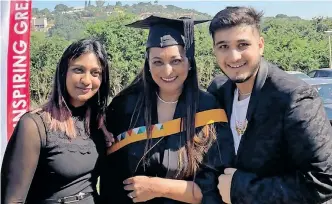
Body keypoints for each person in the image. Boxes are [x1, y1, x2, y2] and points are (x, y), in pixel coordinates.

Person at [101, 15, 234, 204]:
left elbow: (217, 188)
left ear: (189, 62)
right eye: (157, 62)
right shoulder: (126, 106)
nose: (167, 71)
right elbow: (109, 174)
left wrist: (157, 188)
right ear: (148, 64)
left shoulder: (208, 109)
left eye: (176, 60)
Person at [207, 6, 332, 204]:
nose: (233, 56)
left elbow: (324, 180)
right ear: (214, 50)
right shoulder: (218, 91)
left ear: (261, 45)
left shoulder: (293, 97)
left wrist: (240, 188)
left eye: (242, 45)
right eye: (223, 46)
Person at [1, 38, 113, 204]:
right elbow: (13, 200)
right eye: (78, 70)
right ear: (63, 72)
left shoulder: (99, 125)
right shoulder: (34, 125)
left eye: (95, 73)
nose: (87, 80)